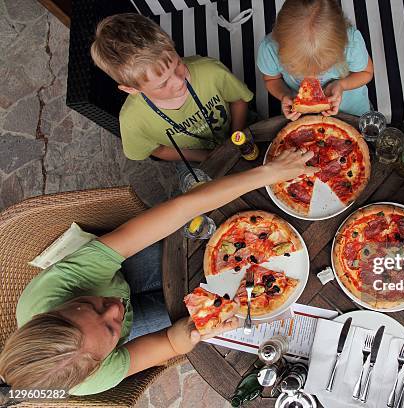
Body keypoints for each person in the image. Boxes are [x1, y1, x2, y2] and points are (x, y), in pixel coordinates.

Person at [0, 149, 317, 395]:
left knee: (201, 251)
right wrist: (194, 332)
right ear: (100, 363)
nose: (113, 308)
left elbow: (183, 209)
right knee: (212, 294)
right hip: (132, 320)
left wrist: (268, 173)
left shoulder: (62, 282)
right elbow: (169, 342)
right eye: (111, 329)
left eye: (90, 305)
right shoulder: (97, 377)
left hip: (121, 270)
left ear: (59, 307)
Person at [91, 13, 253, 162]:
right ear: (131, 89)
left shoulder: (210, 71)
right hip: (196, 158)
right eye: (162, 83)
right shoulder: (132, 121)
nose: (178, 81)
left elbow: (238, 100)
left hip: (238, 129)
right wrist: (204, 157)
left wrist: (235, 138)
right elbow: (156, 149)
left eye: (178, 65)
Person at [257, 0, 374, 120]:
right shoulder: (270, 49)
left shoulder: (351, 43)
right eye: (294, 68)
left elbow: (366, 73)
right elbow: (271, 79)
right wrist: (284, 95)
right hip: (300, 115)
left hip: (352, 112)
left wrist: (341, 85)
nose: (312, 76)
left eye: (323, 69)